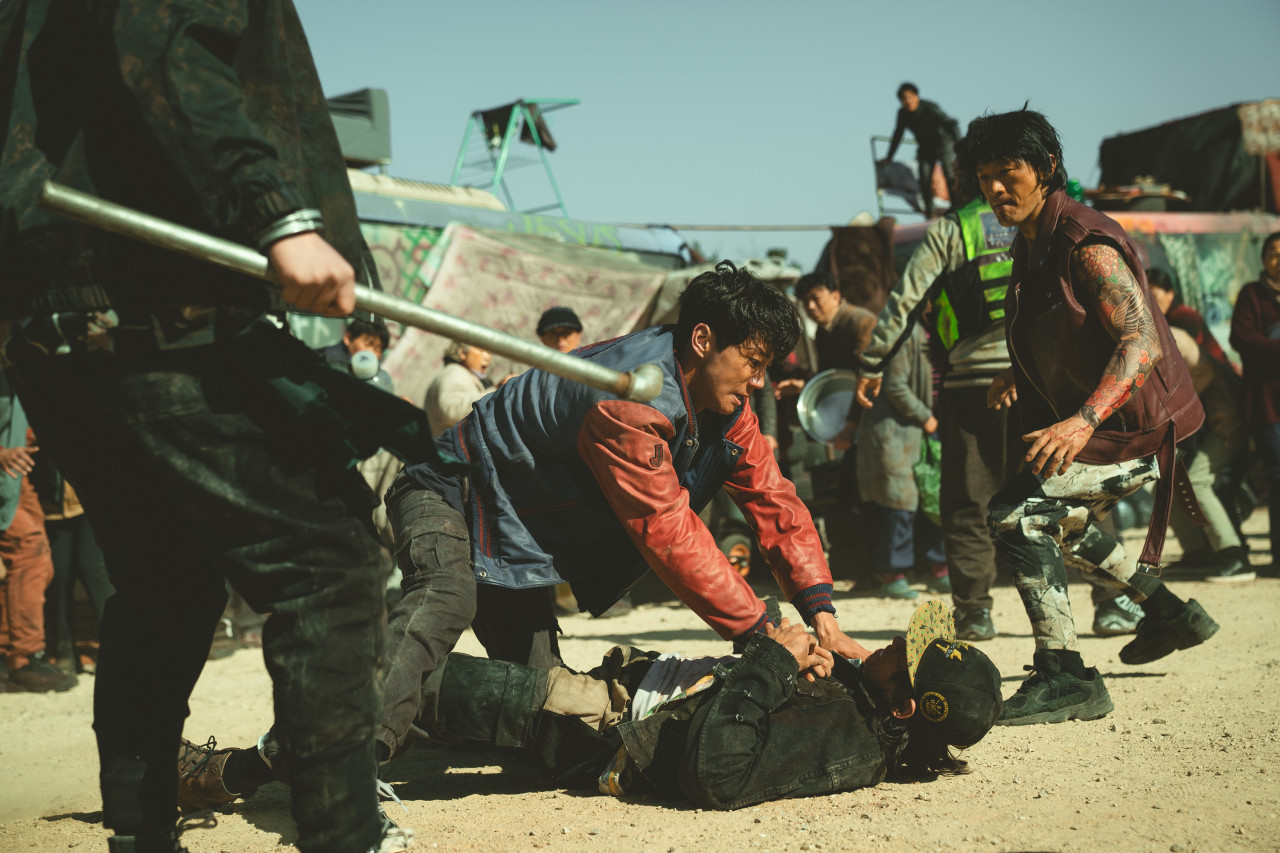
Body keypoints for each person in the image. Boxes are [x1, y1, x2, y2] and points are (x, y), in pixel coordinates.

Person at [0, 3, 426, 851]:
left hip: (59, 320)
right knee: (329, 567)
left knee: (166, 583)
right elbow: (160, 46)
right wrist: (278, 213)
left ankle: (141, 836)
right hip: (140, 309)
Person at [374, 261, 870, 767]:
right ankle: (343, 742)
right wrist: (766, 636)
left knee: (539, 704)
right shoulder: (629, 401)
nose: (758, 383)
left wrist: (823, 620)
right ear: (703, 339)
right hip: (449, 486)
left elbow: (775, 500)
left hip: (513, 530)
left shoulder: (728, 411)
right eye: (752, 362)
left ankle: (388, 695)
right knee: (446, 599)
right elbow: (668, 530)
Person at [173, 602, 1002, 812]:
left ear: (905, 709)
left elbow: (720, 770)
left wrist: (770, 662)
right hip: (610, 699)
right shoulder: (869, 711)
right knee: (409, 696)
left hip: (597, 723)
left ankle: (232, 772)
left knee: (404, 678)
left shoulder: (849, 743)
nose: (893, 642)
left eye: (906, 655)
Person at [965, 108, 1218, 726]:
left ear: (1047, 169)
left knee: (1016, 515)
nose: (996, 190)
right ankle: (1167, 612)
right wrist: (1016, 370)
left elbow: (1141, 342)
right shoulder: (1032, 241)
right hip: (1108, 427)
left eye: (1008, 173)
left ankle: (1065, 675)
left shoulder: (1084, 240)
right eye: (984, 177)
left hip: (1136, 432)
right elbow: (1066, 330)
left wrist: (1080, 420)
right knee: (1059, 521)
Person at [855, 157, 1144, 641]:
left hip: (973, 383)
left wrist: (872, 363)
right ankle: (1112, 601)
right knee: (1072, 491)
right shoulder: (1047, 222)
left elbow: (907, 298)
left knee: (968, 501)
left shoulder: (953, 229)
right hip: (1045, 379)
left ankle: (974, 611)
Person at [1149, 273, 1252, 582]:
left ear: (1169, 295)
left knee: (1197, 481)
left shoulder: (1176, 333)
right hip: (1199, 429)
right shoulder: (1154, 334)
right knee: (1166, 485)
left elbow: (1201, 376)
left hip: (1224, 425)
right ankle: (1198, 552)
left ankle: (1233, 556)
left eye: (1154, 296)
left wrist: (1174, 417)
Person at [856, 320, 948, 599]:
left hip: (922, 432)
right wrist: (927, 418)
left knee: (932, 498)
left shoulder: (938, 329)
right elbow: (895, 386)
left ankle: (940, 571)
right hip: (898, 432)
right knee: (901, 505)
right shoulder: (905, 333)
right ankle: (893, 576)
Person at [0, 378, 77, 693]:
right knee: (28, 551)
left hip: (19, 476)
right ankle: (24, 657)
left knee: (38, 563)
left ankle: (9, 654)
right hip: (6, 469)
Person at [1228, 232, 1280, 573]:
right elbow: (1241, 338)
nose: (1279, 259)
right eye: (1274, 253)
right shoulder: (1252, 295)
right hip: (1267, 405)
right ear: (1263, 259)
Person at [879, 83, 961, 219]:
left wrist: (959, 146)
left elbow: (950, 123)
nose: (907, 101)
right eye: (903, 99)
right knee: (924, 178)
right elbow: (898, 134)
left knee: (950, 175)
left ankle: (956, 207)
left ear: (916, 97)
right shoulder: (902, 114)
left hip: (943, 143)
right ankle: (930, 213)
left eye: (910, 97)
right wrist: (889, 157)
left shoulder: (929, 108)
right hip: (925, 147)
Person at [423, 341, 494, 436]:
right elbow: (450, 410)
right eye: (481, 350)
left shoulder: (462, 375)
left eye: (489, 352)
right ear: (462, 352)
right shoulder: (455, 373)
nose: (487, 357)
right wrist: (495, 391)